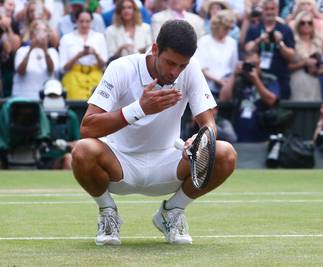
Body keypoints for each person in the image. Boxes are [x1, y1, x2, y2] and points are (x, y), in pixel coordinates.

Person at [71, 20, 237, 246]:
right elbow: (87, 127)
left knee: (224, 153)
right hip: (119, 165)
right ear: (155, 49)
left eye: (182, 65)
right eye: (170, 63)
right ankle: (107, 213)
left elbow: (208, 122)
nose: (175, 72)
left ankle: (173, 211)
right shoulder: (121, 67)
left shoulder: (191, 69)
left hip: (169, 164)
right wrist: (139, 109)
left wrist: (200, 140)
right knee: (82, 150)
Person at [244, 0, 295, 100]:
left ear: (277, 10)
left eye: (272, 9)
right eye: (266, 9)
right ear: (262, 11)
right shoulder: (255, 29)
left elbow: (291, 56)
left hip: (280, 78)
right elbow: (247, 49)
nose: (269, 12)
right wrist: (259, 40)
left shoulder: (285, 29)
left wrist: (280, 43)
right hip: (257, 77)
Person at [229, 51, 282, 142]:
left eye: (254, 64)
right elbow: (223, 98)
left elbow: (272, 101)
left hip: (263, 134)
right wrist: (234, 74)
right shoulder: (239, 81)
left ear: (259, 63)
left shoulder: (270, 79)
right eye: (248, 64)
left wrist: (256, 80)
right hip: (239, 135)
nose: (251, 67)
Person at [59, 9, 108, 100]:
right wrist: (78, 55)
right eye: (81, 21)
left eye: (87, 21)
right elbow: (63, 68)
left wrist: (95, 54)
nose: (84, 24)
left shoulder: (99, 37)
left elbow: (103, 66)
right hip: (73, 77)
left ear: (91, 22)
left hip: (95, 76)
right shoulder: (66, 38)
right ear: (76, 21)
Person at [195, 9, 238, 101]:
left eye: (230, 28)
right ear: (218, 25)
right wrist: (218, 80)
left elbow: (234, 68)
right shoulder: (204, 41)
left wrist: (227, 84)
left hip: (225, 88)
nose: (227, 31)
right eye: (225, 27)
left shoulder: (232, 43)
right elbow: (201, 68)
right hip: (205, 88)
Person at [12, 19, 59, 99]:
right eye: (37, 30)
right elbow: (20, 71)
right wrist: (31, 49)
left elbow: (51, 70)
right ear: (32, 34)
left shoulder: (52, 52)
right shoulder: (22, 50)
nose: (40, 34)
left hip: (45, 97)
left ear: (48, 34)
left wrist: (45, 49)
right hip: (23, 97)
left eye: (44, 31)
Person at [288, 11, 323, 101]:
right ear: (297, 25)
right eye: (302, 23)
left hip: (314, 82)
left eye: (309, 23)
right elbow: (286, 67)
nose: (306, 25)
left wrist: (319, 71)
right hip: (297, 81)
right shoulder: (292, 43)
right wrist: (304, 63)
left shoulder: (318, 43)